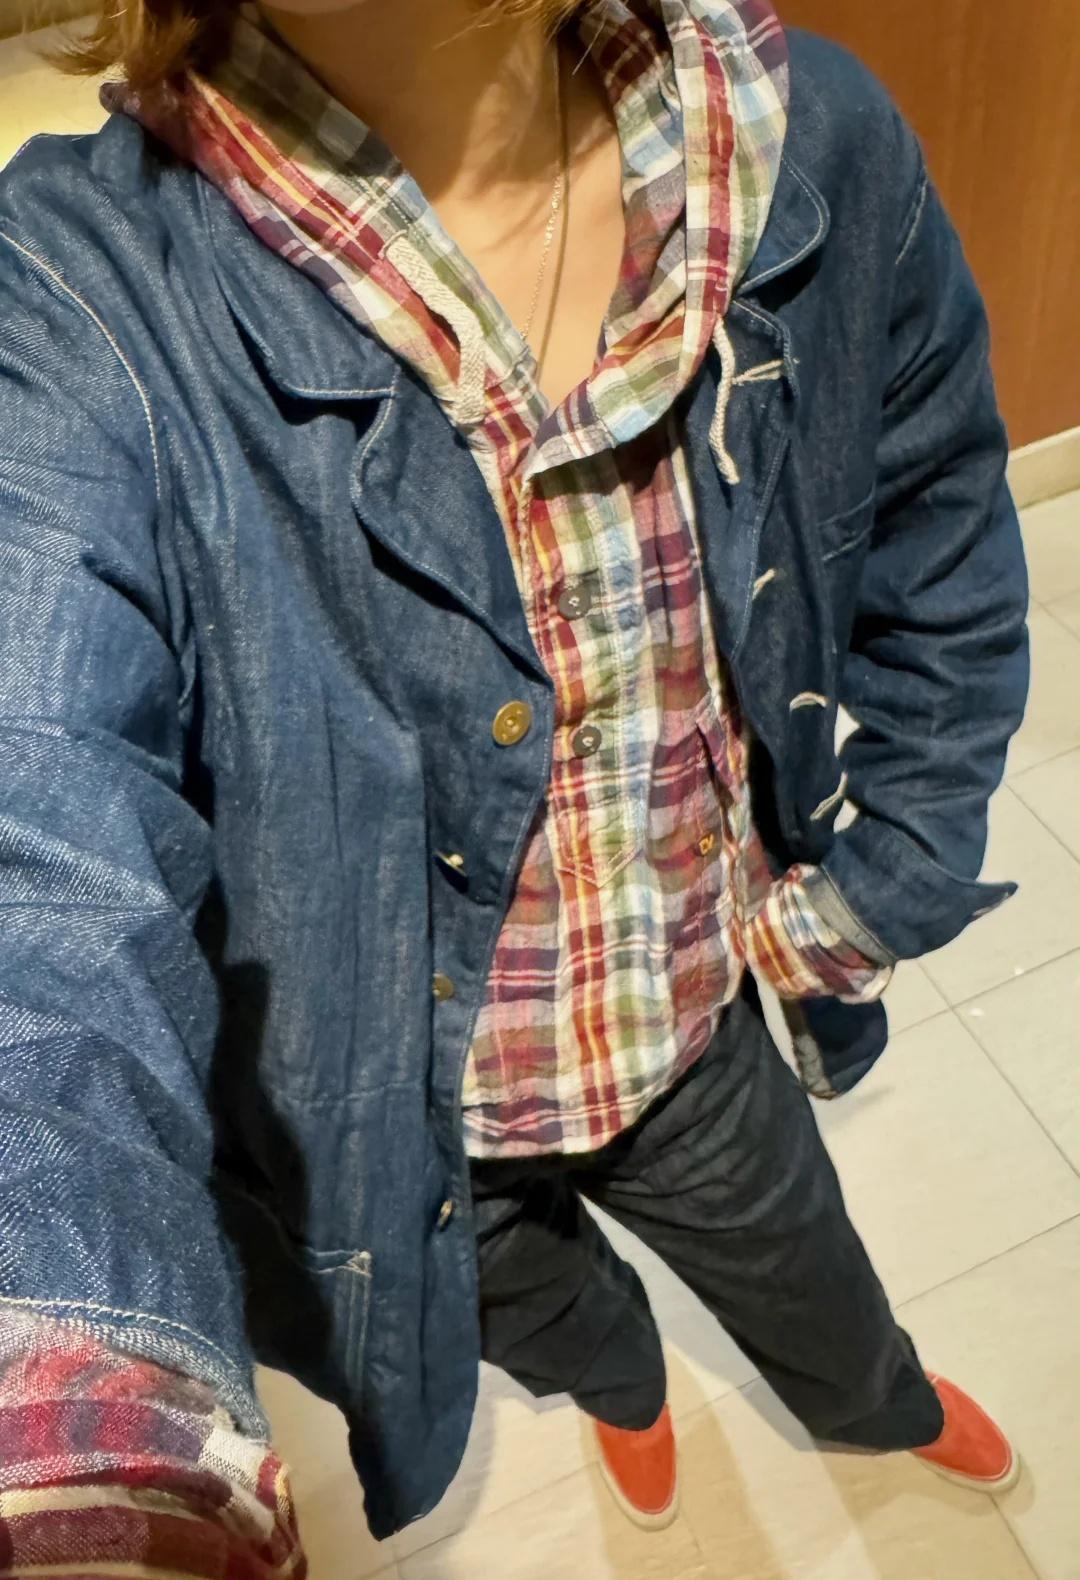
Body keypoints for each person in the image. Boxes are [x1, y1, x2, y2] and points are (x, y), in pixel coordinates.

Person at [0, 0, 1030, 1570]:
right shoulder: (76, 295)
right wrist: (80, 1436)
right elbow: (39, 847)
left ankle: (877, 1405)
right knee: (556, 1320)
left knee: (815, 1284)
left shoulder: (797, 148)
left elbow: (938, 524)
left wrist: (882, 885)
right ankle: (627, 1392)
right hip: (405, 1144)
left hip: (688, 1035)